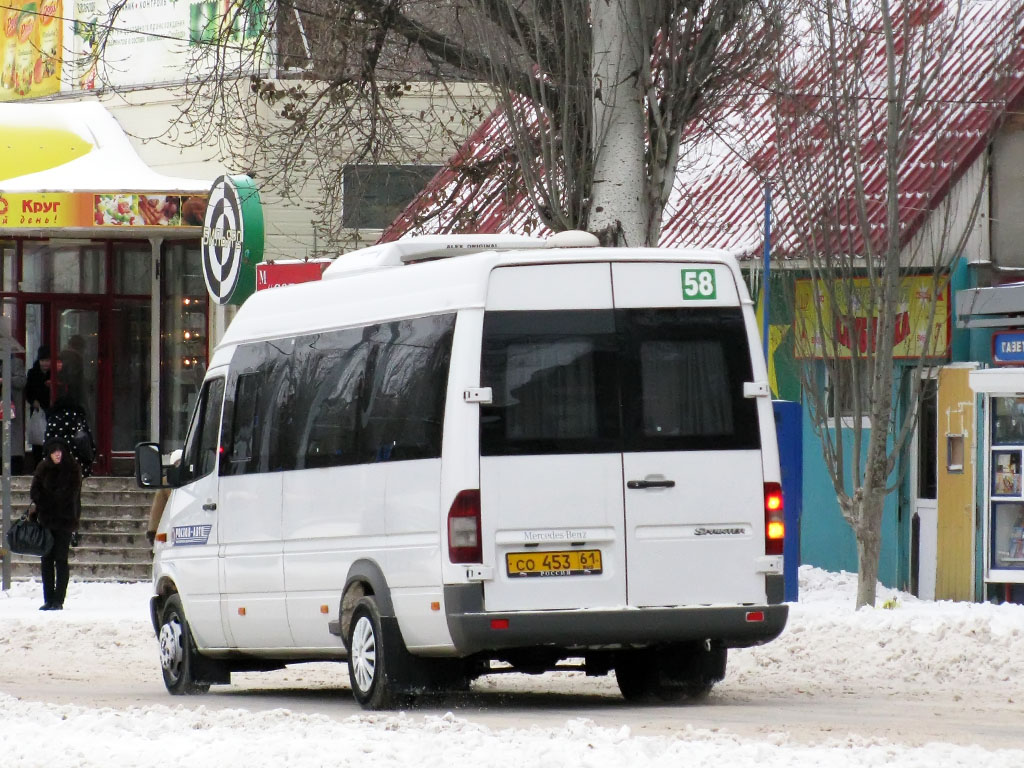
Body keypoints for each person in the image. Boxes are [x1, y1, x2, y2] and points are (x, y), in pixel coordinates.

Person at [29, 437, 82, 611]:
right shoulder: (43, 468)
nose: (57, 455)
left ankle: (58, 599)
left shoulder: (72, 469)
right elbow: (34, 490)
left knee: (61, 559)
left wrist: (51, 500)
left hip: (65, 520)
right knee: (46, 559)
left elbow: (71, 495)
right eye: (54, 452)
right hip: (46, 520)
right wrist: (45, 503)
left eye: (60, 451)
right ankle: (48, 598)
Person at [45, 394, 96, 479]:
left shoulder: (53, 419)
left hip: (58, 465)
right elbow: (89, 441)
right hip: (79, 465)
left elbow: (47, 443)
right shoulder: (78, 418)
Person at [24, 345, 52, 469]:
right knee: (37, 438)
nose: (45, 364)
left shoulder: (54, 374)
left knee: (51, 438)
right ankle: (38, 466)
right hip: (37, 408)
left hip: (51, 409)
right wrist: (33, 401)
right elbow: (28, 390)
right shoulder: (33, 372)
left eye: (47, 360)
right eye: (43, 361)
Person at [0, 354, 27, 474]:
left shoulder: (16, 362)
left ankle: (15, 468)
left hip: (10, 406)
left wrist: (6, 379)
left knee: (11, 440)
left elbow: (21, 381)